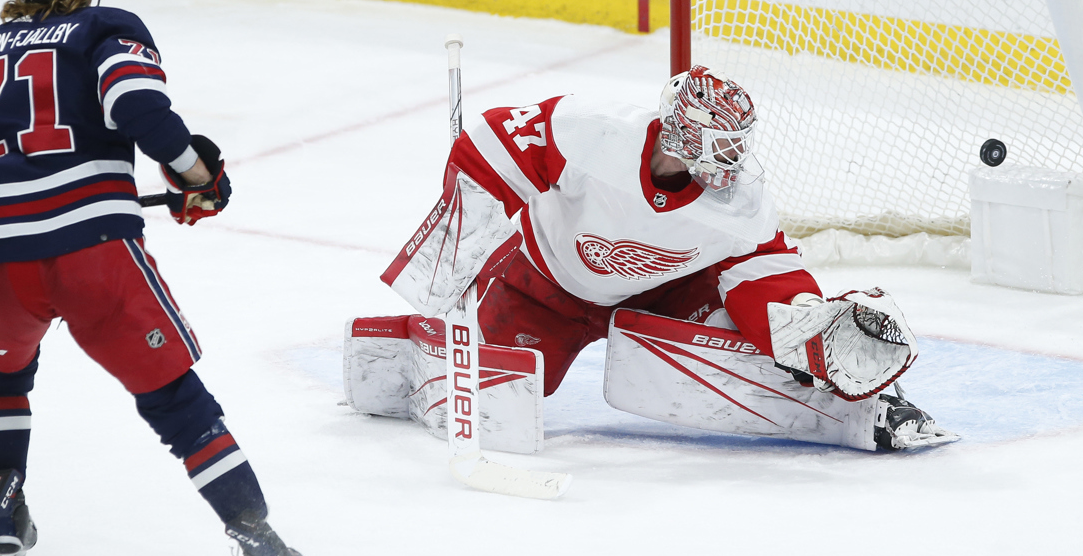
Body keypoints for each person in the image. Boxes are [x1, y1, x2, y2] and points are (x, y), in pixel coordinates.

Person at [0, 0, 304, 556]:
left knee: (2, 380)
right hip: (88, 249)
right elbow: (135, 105)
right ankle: (256, 536)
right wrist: (196, 176)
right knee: (174, 398)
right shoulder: (103, 27)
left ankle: (6, 507)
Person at [369, 65, 956, 451]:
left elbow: (763, 273)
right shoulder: (593, 130)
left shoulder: (739, 202)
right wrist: (450, 263)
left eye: (736, 144)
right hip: (541, 286)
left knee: (743, 346)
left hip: (663, 292)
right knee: (503, 397)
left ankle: (863, 415)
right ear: (681, 137)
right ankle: (408, 358)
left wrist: (805, 329)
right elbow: (487, 147)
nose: (733, 158)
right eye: (721, 144)